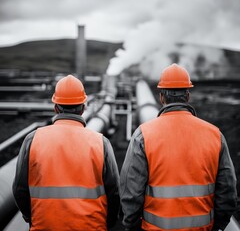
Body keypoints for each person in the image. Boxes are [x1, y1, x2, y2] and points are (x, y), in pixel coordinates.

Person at [120, 64, 237, 231]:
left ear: (161, 97)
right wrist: (218, 225)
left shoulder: (143, 135)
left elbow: (131, 191)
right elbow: (228, 190)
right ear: (187, 96)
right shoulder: (215, 135)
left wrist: (131, 225)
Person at [12, 74, 120, 231]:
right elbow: (114, 192)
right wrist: (108, 222)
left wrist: (31, 217)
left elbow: (19, 190)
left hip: (45, 226)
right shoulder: (100, 142)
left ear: (55, 107)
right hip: (90, 226)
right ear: (83, 107)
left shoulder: (33, 139)